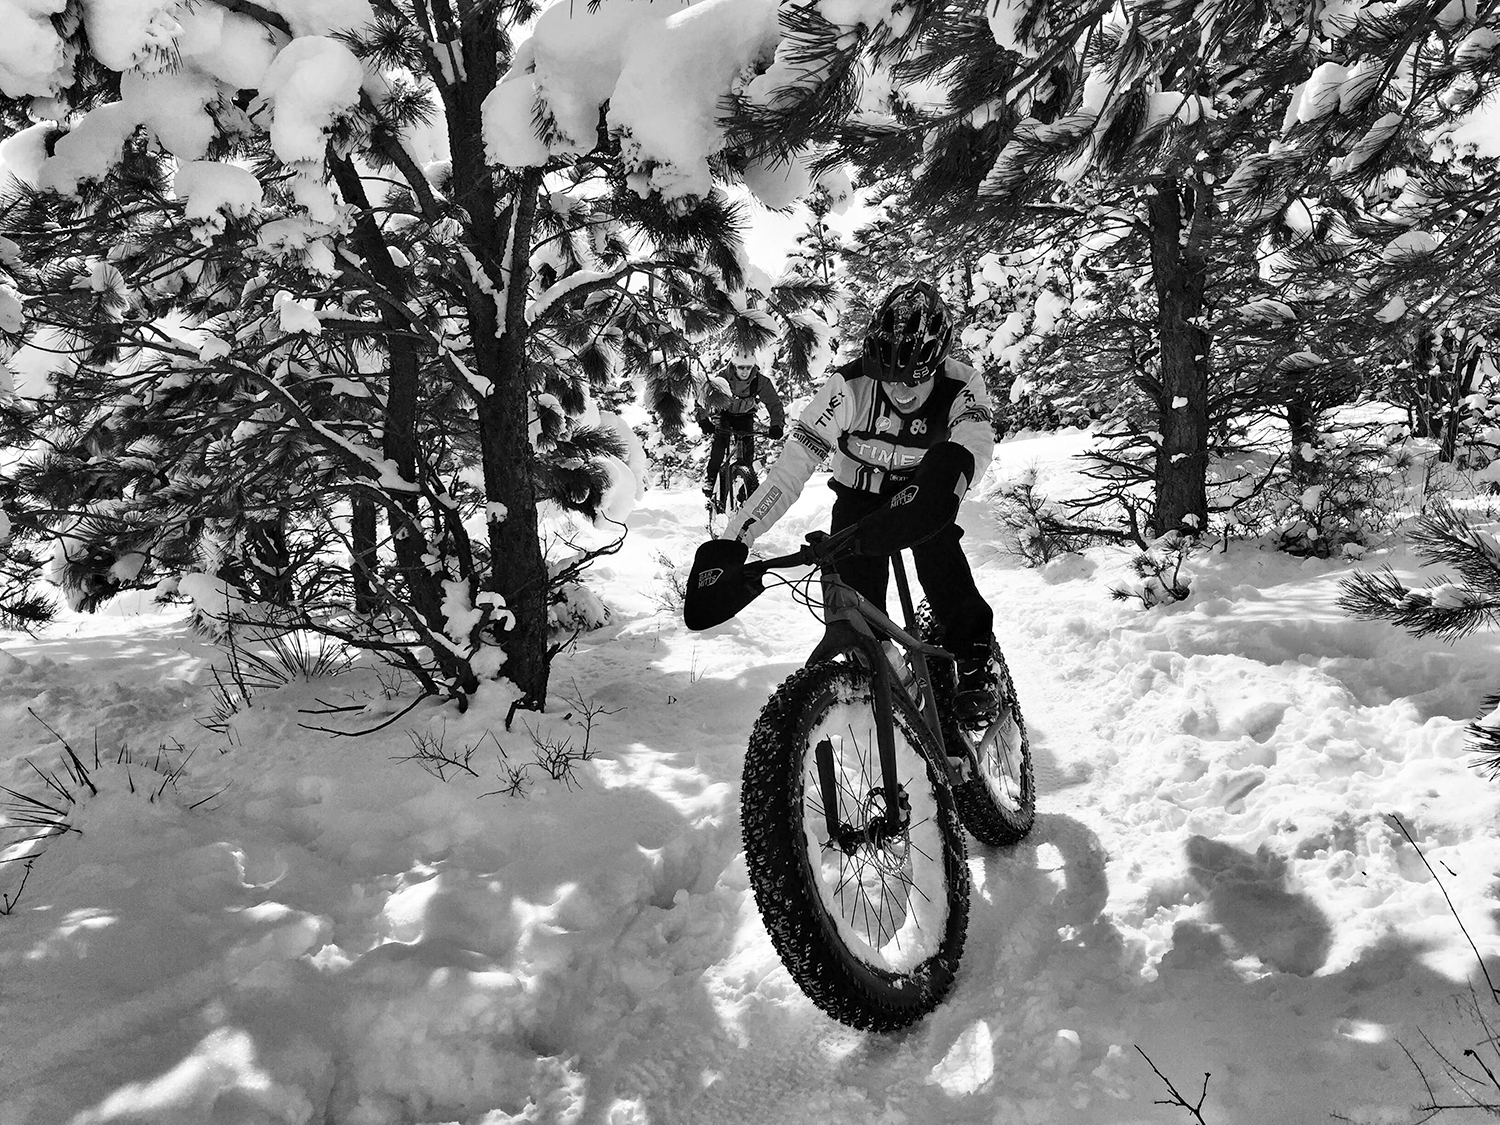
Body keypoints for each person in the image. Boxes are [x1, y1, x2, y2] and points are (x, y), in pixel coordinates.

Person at [688, 281, 1000, 725]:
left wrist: (951, 476)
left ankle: (975, 663)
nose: (902, 392)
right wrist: (737, 538)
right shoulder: (847, 388)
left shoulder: (961, 383)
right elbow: (791, 469)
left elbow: (974, 443)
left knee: (939, 552)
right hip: (858, 498)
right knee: (855, 602)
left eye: (915, 378)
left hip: (924, 491)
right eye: (888, 377)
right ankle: (882, 674)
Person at [694, 350, 786, 507]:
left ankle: (746, 486)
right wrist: (703, 420)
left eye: (748, 368)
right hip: (724, 414)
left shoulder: (759, 380)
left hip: (744, 415)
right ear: (734, 366)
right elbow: (704, 398)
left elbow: (773, 403)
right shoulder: (722, 377)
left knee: (747, 452)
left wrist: (777, 425)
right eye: (741, 367)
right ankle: (711, 479)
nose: (745, 371)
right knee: (720, 443)